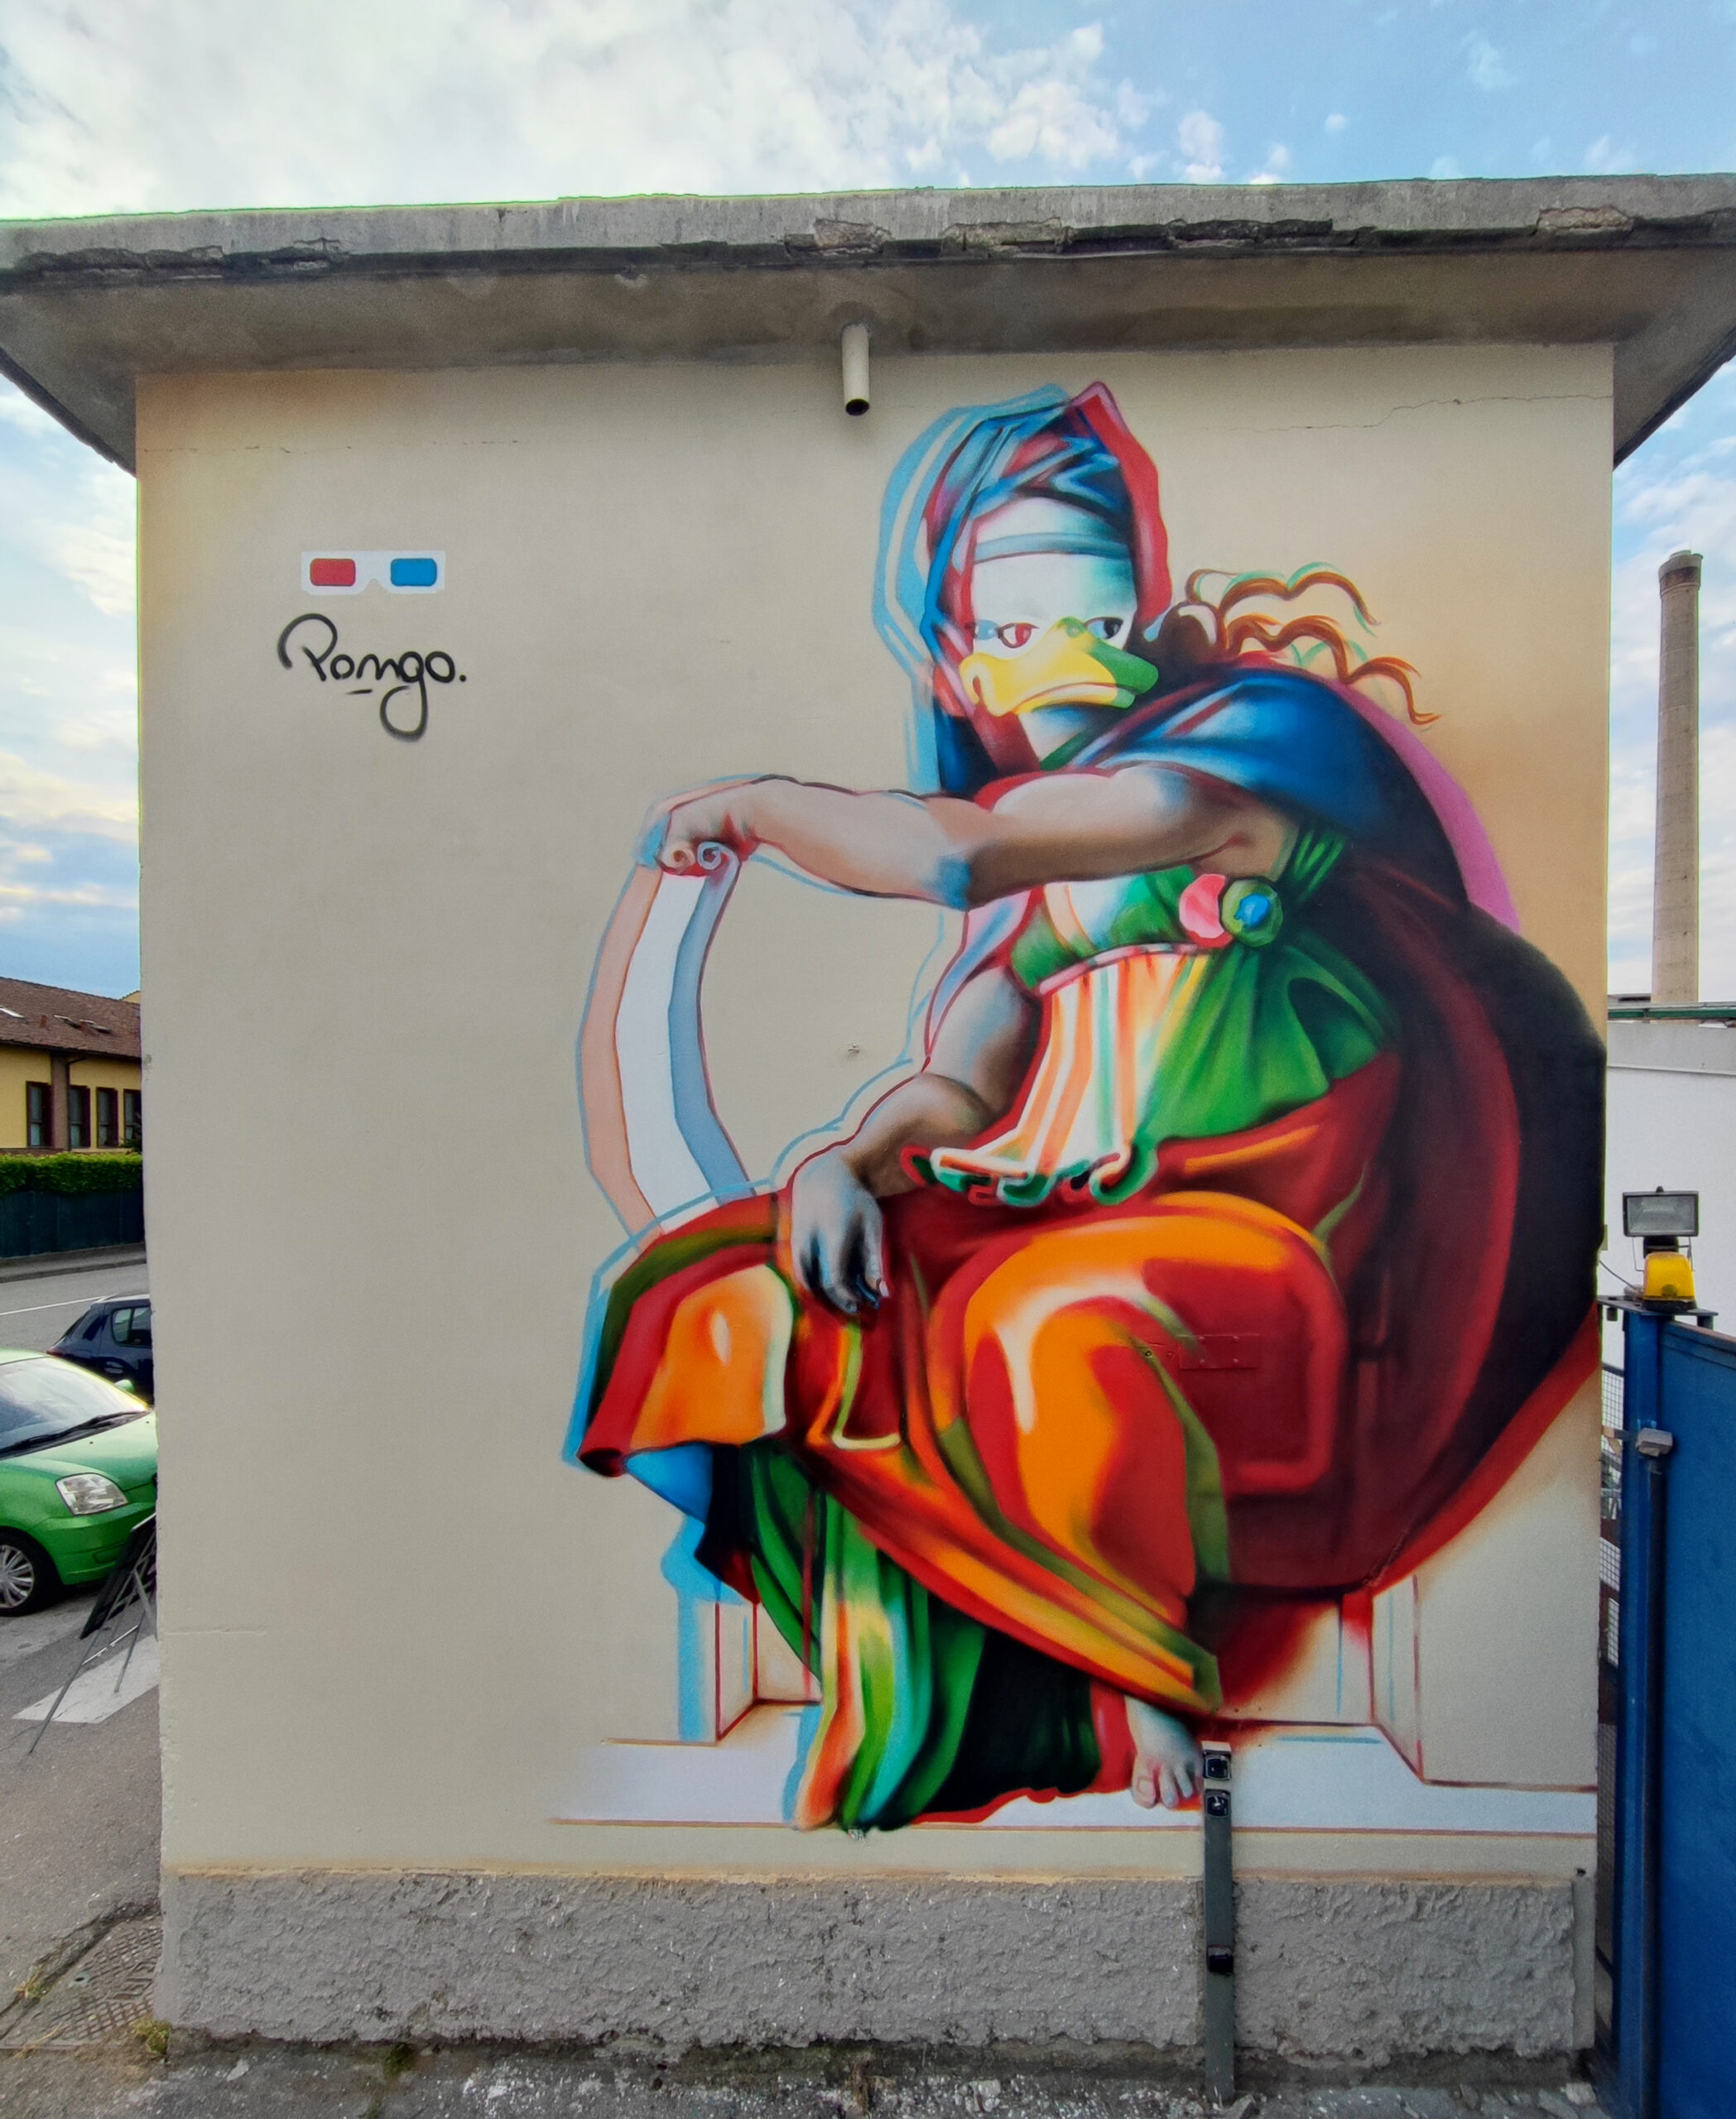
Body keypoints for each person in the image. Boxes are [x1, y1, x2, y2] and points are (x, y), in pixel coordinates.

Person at [577, 383, 1602, 1832]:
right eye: (1010, 617)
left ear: (1139, 606)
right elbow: (959, 1082)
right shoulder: (1044, 892)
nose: (1057, 644)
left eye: (1088, 602)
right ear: (958, 654)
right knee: (723, 1296)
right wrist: (843, 1162)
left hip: (1304, 1232)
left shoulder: (1251, 748)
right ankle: (967, 1648)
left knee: (1046, 1320)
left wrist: (751, 809)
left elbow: (962, 853)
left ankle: (1132, 1669)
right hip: (1091, 1203)